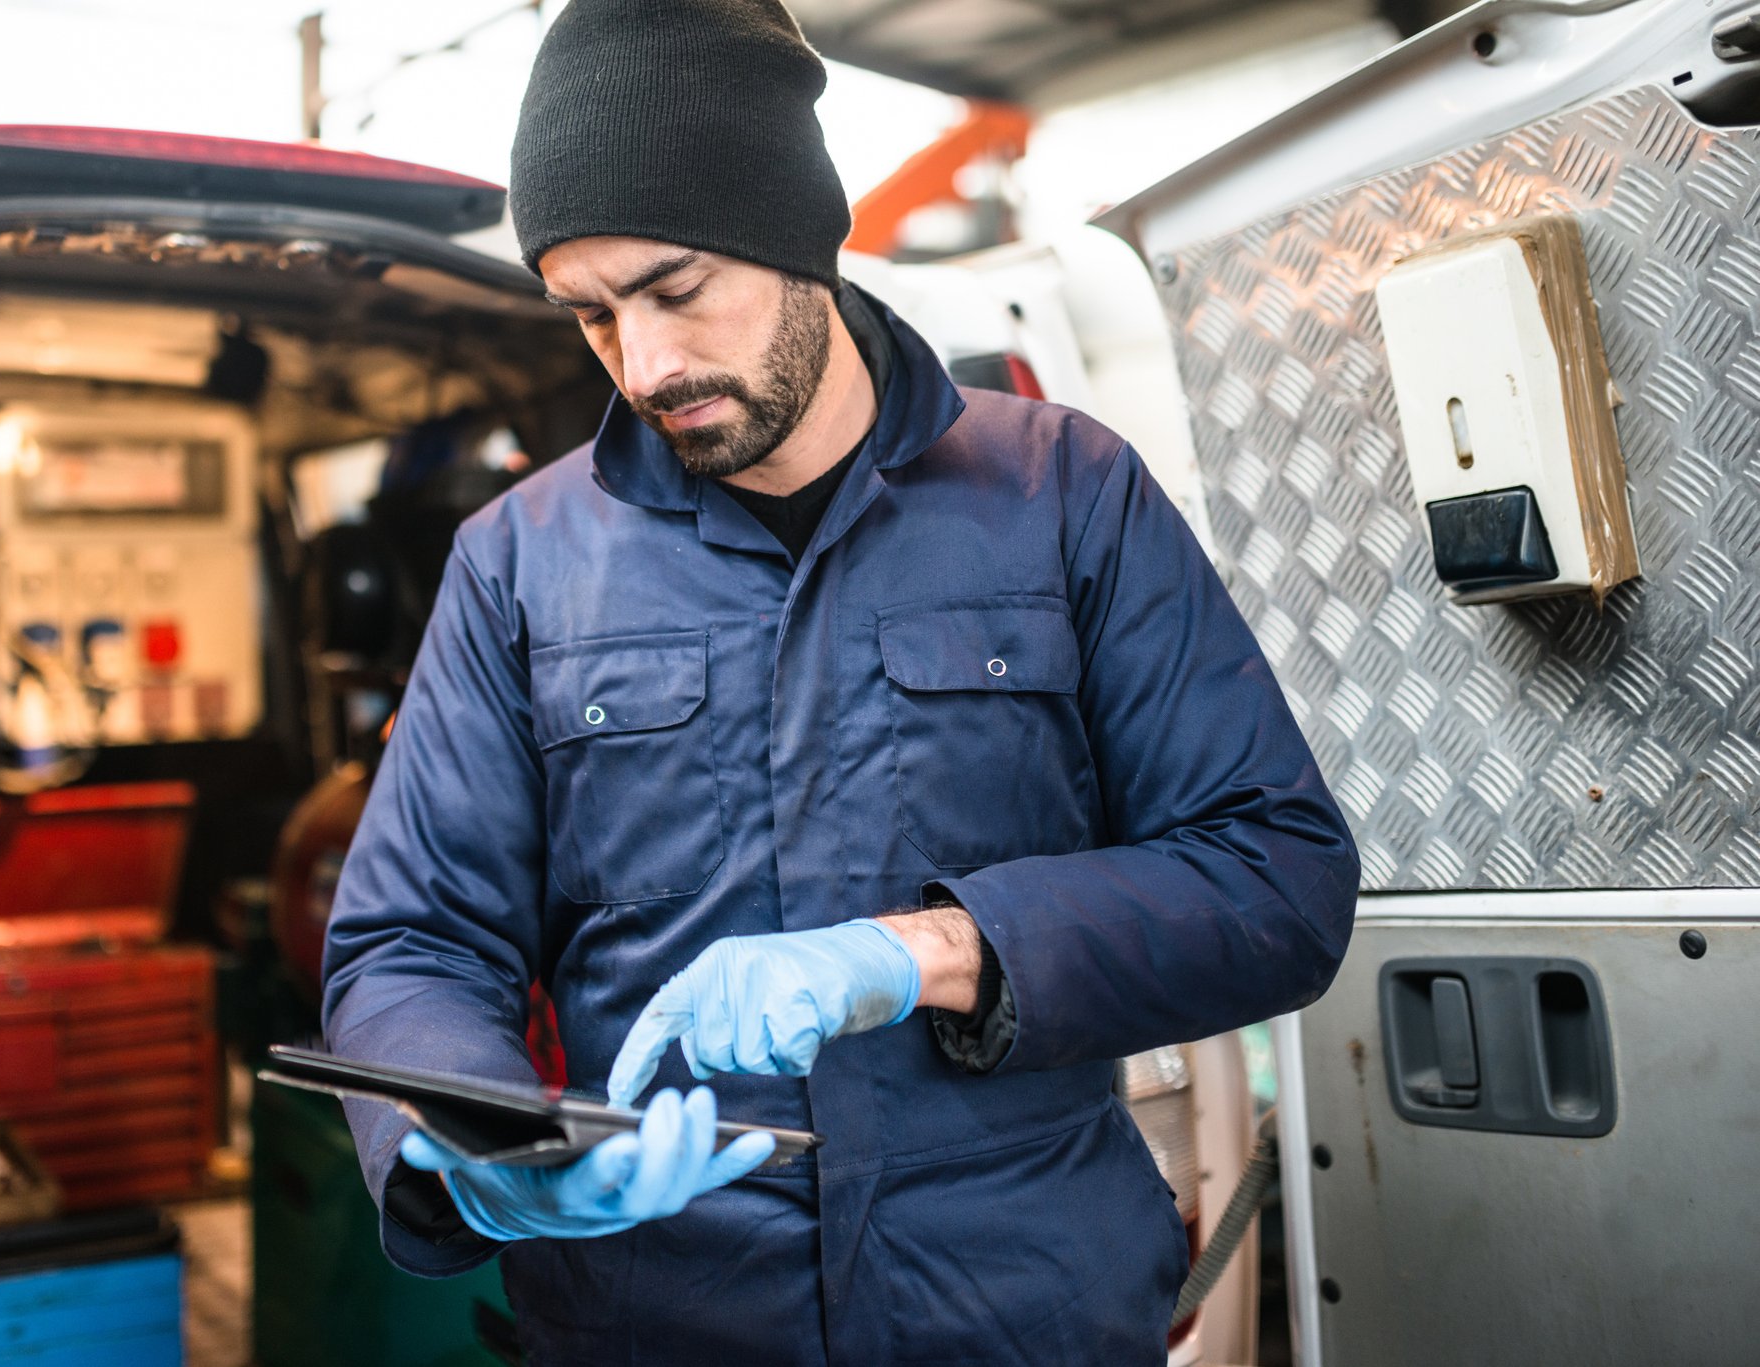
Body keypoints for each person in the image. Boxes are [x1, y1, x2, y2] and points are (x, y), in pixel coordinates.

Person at [320, 1, 1360, 1362]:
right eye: (591, 317)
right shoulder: (521, 564)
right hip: (664, 1321)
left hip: (1015, 1311)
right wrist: (472, 1137)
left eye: (679, 290)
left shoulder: (1063, 496)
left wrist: (921, 953)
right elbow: (412, 943)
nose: (645, 365)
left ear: (799, 237)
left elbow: (1274, 879)